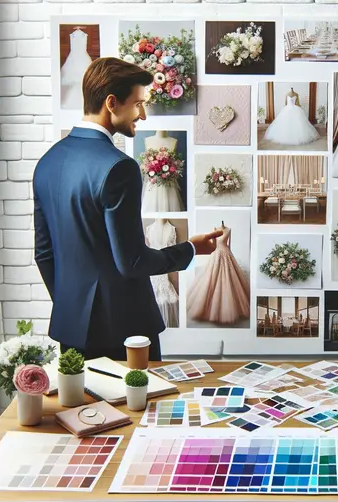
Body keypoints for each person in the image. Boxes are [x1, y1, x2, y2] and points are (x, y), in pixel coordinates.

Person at [33, 57, 223, 361]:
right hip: (125, 332)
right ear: (112, 103)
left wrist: (74, 307)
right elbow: (131, 262)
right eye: (137, 104)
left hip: (71, 329)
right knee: (142, 410)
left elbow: (43, 254)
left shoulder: (47, 162)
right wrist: (189, 249)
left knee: (83, 410)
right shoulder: (119, 167)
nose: (143, 115)